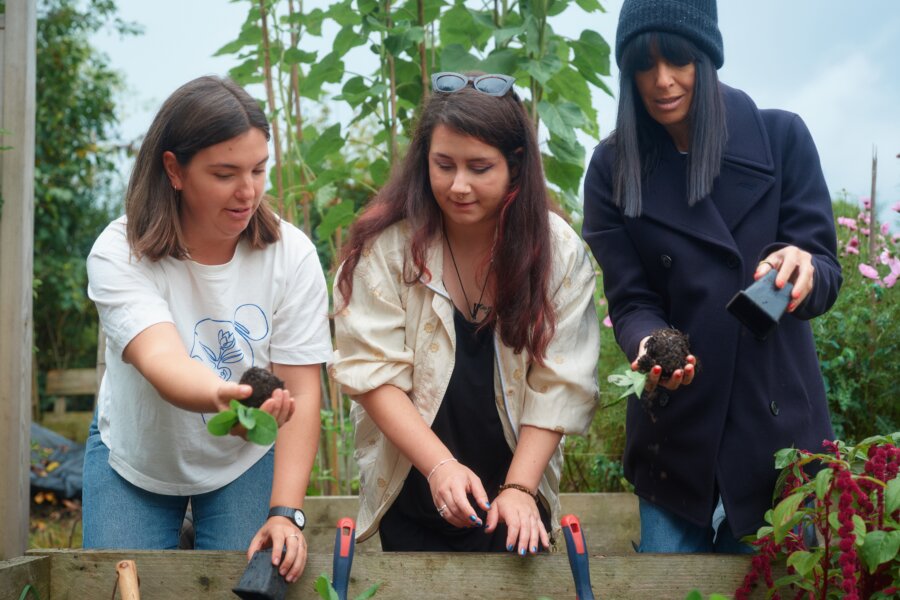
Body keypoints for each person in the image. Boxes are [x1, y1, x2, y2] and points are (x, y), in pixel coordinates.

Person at [582, 0, 842, 553]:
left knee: (778, 585)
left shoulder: (781, 139)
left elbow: (825, 271)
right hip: (675, 439)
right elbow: (631, 300)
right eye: (643, 65)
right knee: (670, 586)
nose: (662, 80)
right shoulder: (612, 171)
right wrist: (649, 344)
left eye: (678, 60)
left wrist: (802, 268)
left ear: (707, 56)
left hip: (778, 439)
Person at [329, 72, 600, 554]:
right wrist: (439, 468)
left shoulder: (558, 252)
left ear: (515, 164)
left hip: (517, 493)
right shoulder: (386, 250)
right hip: (413, 487)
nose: (459, 185)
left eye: (479, 167)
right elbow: (371, 371)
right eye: (444, 165)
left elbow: (561, 383)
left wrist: (520, 489)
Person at [83, 76, 332, 583]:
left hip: (243, 457)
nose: (248, 192)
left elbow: (303, 391)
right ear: (174, 169)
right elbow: (164, 362)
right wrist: (226, 397)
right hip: (137, 456)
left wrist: (285, 513)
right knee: (116, 586)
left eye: (259, 169)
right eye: (224, 174)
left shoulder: (292, 255)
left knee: (245, 585)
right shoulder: (120, 251)